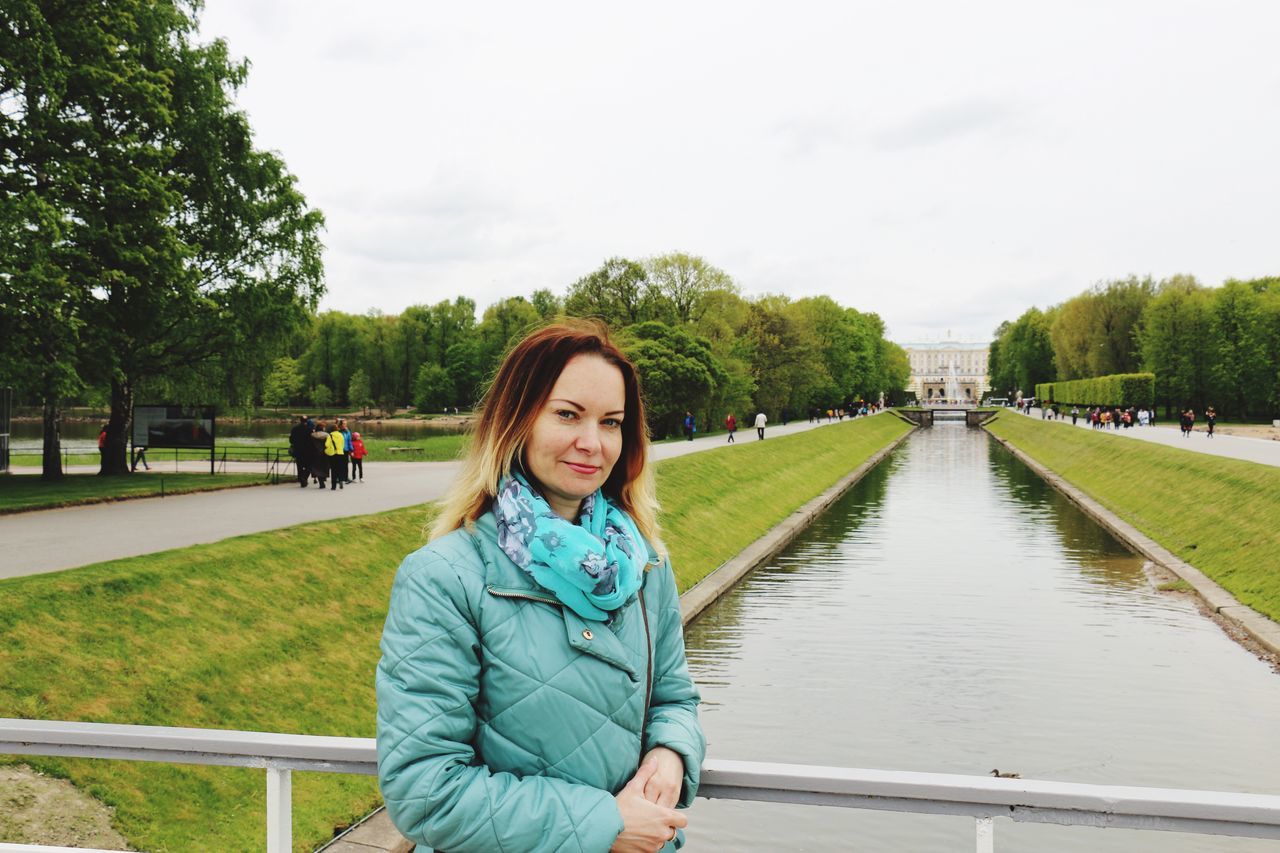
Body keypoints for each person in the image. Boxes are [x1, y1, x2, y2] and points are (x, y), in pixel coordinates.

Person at [376, 322, 704, 853]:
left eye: (612, 422)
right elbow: (424, 791)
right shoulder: (444, 577)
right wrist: (606, 822)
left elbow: (673, 696)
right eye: (567, 414)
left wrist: (672, 751)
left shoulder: (643, 565)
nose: (592, 443)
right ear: (517, 421)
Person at [289, 416, 311, 487]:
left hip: (297, 450)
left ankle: (301, 479)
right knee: (309, 466)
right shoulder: (309, 429)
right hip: (307, 451)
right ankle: (304, 477)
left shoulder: (294, 429)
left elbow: (291, 440)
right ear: (306, 421)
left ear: (300, 420)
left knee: (299, 465)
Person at [311, 419, 331, 488]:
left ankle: (321, 481)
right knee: (324, 467)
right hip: (324, 453)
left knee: (317, 468)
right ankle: (323, 478)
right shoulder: (327, 436)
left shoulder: (312, 436)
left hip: (315, 453)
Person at [325, 422, 345, 489]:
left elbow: (326, 445)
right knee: (340, 468)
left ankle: (333, 486)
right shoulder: (341, 435)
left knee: (333, 469)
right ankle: (341, 480)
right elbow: (343, 444)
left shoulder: (330, 435)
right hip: (340, 453)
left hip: (333, 454)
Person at [340, 419, 354, 483]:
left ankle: (345, 477)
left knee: (345, 464)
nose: (345, 425)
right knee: (340, 464)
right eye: (344, 424)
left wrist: (351, 449)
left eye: (346, 424)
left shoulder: (347, 432)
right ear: (340, 425)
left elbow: (349, 441)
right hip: (339, 450)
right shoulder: (338, 432)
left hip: (346, 450)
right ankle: (339, 477)